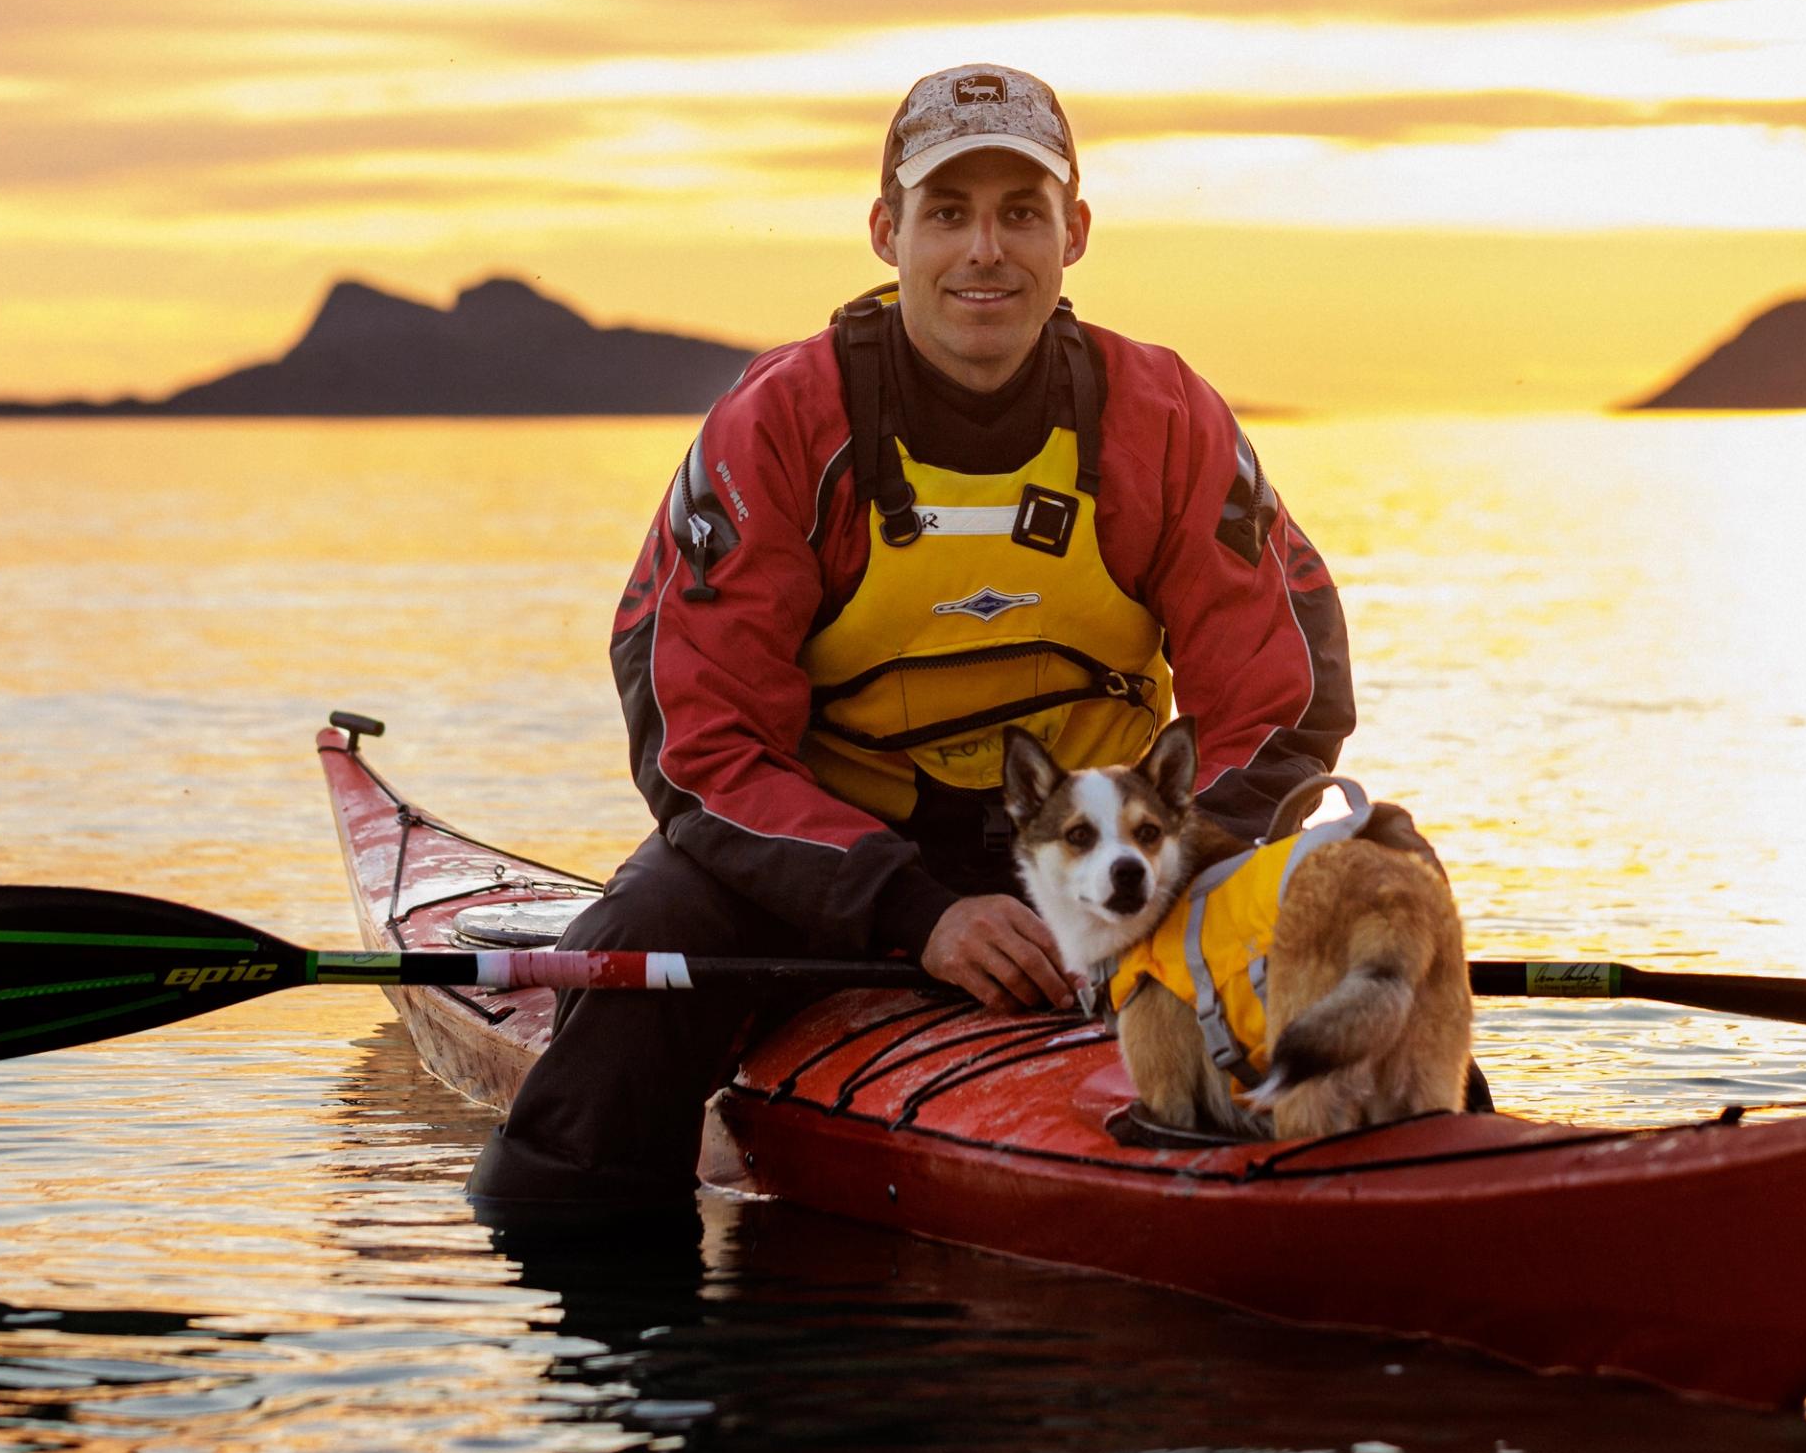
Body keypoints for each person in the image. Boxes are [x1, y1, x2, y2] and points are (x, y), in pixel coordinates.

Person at [466, 63, 1357, 1231]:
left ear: (1073, 233)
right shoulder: (781, 423)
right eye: (948, 212)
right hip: (827, 869)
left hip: (1110, 863)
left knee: (1339, 926)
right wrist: (914, 911)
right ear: (888, 229)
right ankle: (578, 1278)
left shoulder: (1165, 418)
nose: (984, 251)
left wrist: (1148, 881)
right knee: (645, 950)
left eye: (1021, 212)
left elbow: (1283, 701)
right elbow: (700, 736)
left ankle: (1414, 1185)